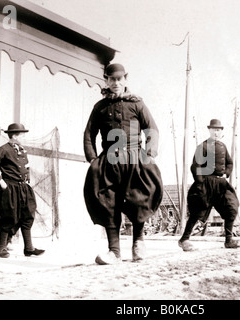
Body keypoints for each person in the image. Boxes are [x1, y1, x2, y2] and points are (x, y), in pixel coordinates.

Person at [83, 63, 163, 265]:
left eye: (119, 79)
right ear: (106, 81)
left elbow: (151, 129)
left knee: (139, 199)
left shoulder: (137, 104)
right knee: (108, 201)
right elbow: (89, 133)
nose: (116, 83)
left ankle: (138, 243)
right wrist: (92, 158)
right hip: (109, 160)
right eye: (111, 79)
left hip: (134, 158)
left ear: (125, 79)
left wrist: (150, 153)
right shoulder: (100, 107)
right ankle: (114, 251)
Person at [178, 119, 240, 251]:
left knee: (231, 207)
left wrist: (226, 174)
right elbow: (195, 166)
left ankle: (229, 241)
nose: (216, 132)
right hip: (206, 183)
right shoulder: (203, 146)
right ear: (209, 131)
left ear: (221, 131)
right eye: (214, 130)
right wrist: (200, 183)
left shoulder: (223, 146)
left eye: (219, 130)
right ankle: (184, 240)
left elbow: (229, 163)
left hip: (221, 184)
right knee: (197, 212)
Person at [0, 123, 44, 258]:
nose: (24, 137)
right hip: (10, 189)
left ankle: (29, 248)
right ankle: (1, 249)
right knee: (9, 217)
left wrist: (27, 181)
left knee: (28, 215)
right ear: (16, 135)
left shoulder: (22, 150)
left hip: (24, 188)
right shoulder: (3, 150)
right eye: (22, 135)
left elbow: (26, 167)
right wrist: (0, 181)